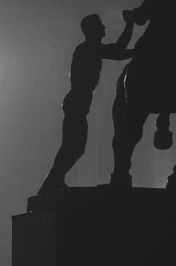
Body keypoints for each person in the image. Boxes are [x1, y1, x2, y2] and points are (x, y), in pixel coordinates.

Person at [36, 11, 136, 196]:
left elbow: (117, 51)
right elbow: (118, 50)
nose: (104, 28)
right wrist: (130, 26)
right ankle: (50, 184)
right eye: (101, 25)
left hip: (78, 103)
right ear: (93, 30)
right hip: (77, 103)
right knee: (72, 146)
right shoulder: (88, 48)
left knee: (74, 147)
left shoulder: (89, 48)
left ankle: (54, 181)